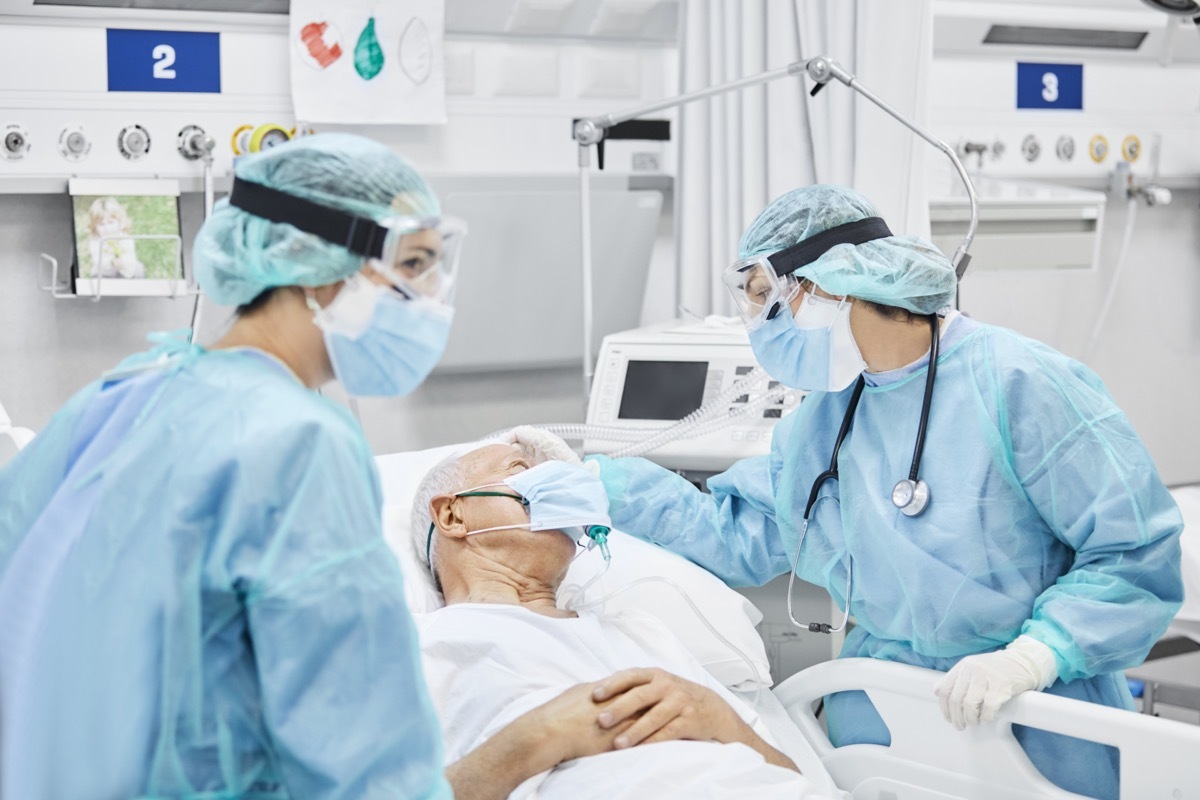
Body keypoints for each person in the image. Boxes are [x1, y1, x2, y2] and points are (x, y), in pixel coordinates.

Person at [584, 184, 1183, 800]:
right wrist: (592, 485)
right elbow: (743, 532)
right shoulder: (826, 419)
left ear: (830, 284)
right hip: (883, 725)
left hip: (1035, 718)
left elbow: (1135, 556)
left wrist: (1032, 657)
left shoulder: (1020, 384)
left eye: (766, 298)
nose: (759, 326)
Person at [0, 133, 466, 798]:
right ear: (319, 259)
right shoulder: (299, 445)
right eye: (413, 263)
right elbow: (362, 755)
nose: (432, 296)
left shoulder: (125, 392)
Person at [411, 440, 837, 799]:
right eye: (521, 468)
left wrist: (717, 716)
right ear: (452, 515)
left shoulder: (639, 631)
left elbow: (795, 777)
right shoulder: (417, 649)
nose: (558, 489)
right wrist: (537, 737)